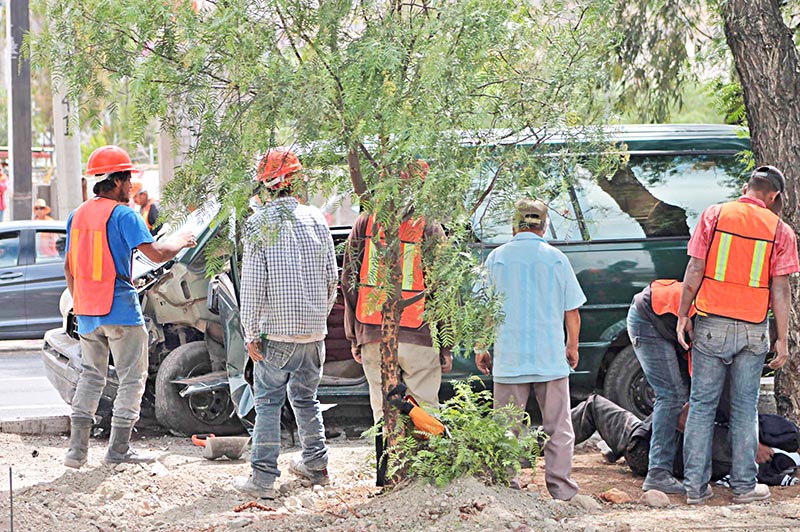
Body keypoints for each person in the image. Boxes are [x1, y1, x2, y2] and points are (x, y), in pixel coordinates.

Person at [63, 145, 197, 469]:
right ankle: (118, 450)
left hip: (86, 312)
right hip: (120, 308)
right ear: (117, 180)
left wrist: (81, 303)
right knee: (132, 379)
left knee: (91, 377)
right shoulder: (123, 214)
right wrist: (182, 239)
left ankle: (76, 452)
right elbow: (157, 254)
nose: (131, 186)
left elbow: (69, 268)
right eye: (128, 179)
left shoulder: (77, 215)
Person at [677, 165, 800, 505]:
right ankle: (744, 487)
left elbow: (695, 268)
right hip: (752, 329)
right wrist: (782, 337)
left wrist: (683, 315)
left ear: (747, 187)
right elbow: (781, 288)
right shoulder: (780, 230)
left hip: (711, 325)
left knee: (702, 406)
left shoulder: (714, 216)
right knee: (745, 409)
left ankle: (695, 489)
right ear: (773, 195)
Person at [233, 147, 338, 500]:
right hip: (313, 334)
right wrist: (318, 319)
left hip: (276, 335)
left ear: (265, 185)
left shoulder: (258, 224)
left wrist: (250, 333)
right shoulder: (316, 220)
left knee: (267, 403)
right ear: (294, 181)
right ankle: (317, 466)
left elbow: (251, 286)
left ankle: (263, 479)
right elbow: (331, 279)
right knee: (306, 400)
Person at [341, 159, 453, 486]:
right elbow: (442, 288)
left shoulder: (365, 224)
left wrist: (355, 336)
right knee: (426, 407)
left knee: (382, 410)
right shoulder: (429, 227)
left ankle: (389, 478)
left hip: (374, 334)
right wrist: (444, 344)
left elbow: (349, 281)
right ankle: (426, 477)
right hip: (419, 335)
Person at [474, 198, 585, 501]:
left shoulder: (496, 258)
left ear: (514, 225)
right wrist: (571, 346)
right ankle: (561, 490)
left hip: (510, 360)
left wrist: (481, 348)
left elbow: (485, 310)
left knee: (506, 428)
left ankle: (507, 487)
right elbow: (572, 311)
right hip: (550, 358)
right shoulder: (556, 258)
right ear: (544, 225)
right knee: (558, 427)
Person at [571, 393, 800, 488]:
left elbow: (680, 420)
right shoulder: (742, 442)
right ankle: (615, 448)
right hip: (653, 447)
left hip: (645, 450)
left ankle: (535, 444)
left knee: (593, 405)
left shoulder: (735, 440)